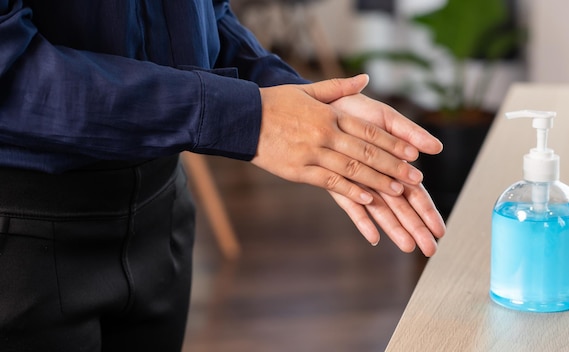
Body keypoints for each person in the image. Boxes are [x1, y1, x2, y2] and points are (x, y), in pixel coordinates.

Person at [0, 0, 445, 351]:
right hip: (22, 238)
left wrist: (297, 101)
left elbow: (205, 14)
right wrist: (249, 118)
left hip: (161, 215)